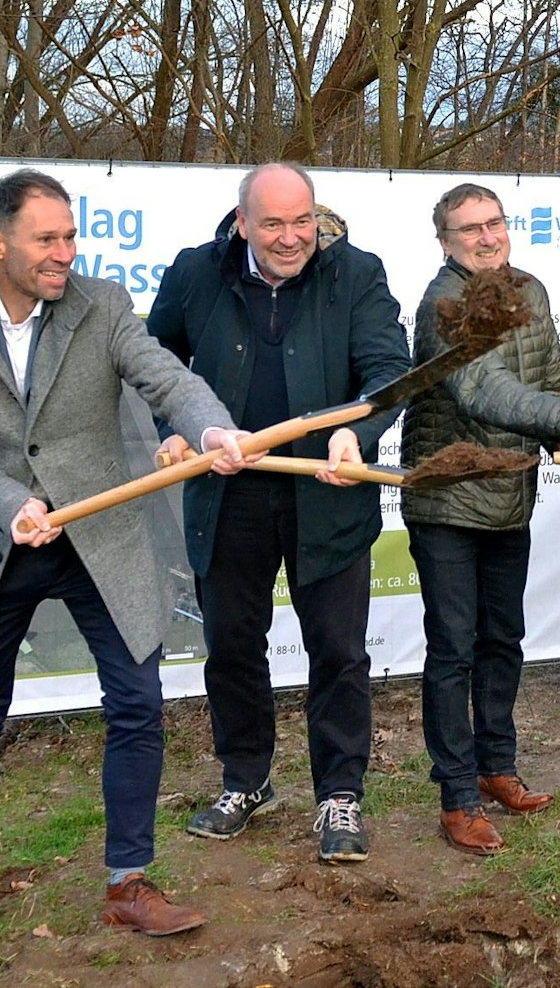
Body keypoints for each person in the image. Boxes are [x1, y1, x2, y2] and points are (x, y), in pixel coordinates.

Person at [0, 169, 250, 953]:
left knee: (136, 703)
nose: (65, 252)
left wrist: (211, 429)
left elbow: (167, 376)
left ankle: (128, 883)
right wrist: (10, 502)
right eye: (46, 239)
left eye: (70, 235)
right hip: (0, 539)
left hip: (101, 537)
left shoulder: (103, 305)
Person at [147, 162, 412, 863]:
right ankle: (246, 779)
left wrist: (357, 431)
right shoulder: (196, 272)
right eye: (273, 224)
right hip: (227, 491)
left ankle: (340, 793)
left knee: (338, 650)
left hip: (326, 491)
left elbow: (388, 367)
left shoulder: (356, 273)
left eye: (302, 221)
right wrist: (175, 426)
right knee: (232, 643)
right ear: (243, 223)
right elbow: (154, 359)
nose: (292, 237)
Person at [401, 184, 560, 854]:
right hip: (447, 499)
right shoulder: (442, 305)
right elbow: (482, 390)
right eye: (469, 229)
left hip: (508, 495)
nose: (486, 237)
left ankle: (497, 767)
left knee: (503, 638)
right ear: (445, 242)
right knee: (453, 648)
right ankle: (457, 795)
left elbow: (548, 377)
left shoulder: (531, 292)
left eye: (494, 222)